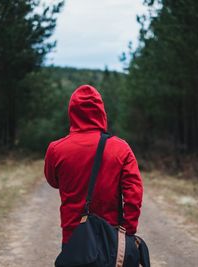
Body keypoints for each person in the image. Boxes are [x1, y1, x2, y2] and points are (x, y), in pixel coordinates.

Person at [44, 84, 143, 248]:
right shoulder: (121, 148)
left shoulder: (56, 149)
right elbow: (134, 194)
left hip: (74, 238)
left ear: (72, 113)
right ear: (101, 113)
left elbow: (54, 182)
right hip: (110, 238)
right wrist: (129, 230)